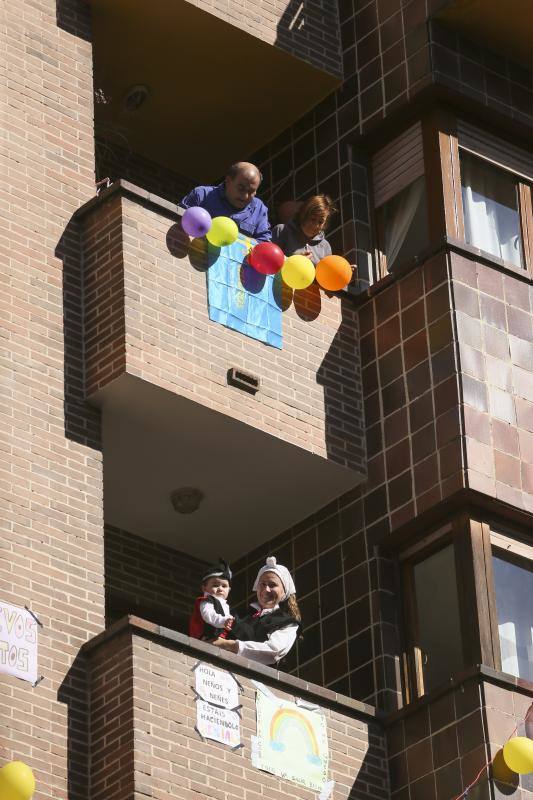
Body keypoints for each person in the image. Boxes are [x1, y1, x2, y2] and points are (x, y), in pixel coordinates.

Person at [212, 556, 301, 665]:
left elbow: (273, 650)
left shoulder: (288, 624)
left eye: (273, 585)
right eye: (262, 584)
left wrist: (229, 644)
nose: (266, 589)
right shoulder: (237, 614)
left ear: (284, 592)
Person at [180, 162, 272, 242]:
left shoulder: (259, 209)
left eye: (251, 192)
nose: (245, 196)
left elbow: (263, 243)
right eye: (241, 189)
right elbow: (177, 222)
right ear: (228, 181)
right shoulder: (201, 195)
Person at [272, 194, 336, 265]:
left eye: (320, 222)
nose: (315, 225)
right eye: (313, 219)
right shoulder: (282, 231)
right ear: (304, 214)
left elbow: (326, 274)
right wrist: (296, 262)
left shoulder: (325, 246)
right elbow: (270, 262)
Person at [189, 559, 234, 641]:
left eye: (224, 586)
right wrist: (223, 621)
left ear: (229, 590)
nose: (220, 588)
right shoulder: (207, 600)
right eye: (215, 585)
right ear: (204, 588)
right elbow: (208, 615)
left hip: (220, 640)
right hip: (205, 638)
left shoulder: (226, 606)